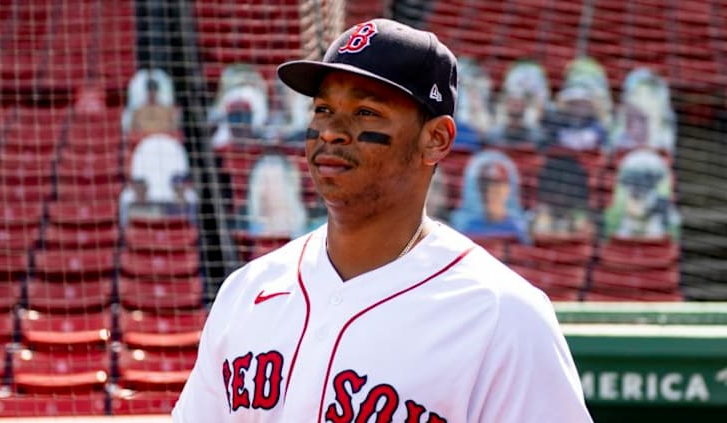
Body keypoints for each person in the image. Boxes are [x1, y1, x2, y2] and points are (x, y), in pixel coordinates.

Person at [173, 19, 591, 422]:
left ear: (437, 139)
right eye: (322, 109)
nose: (331, 131)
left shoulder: (503, 315)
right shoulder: (246, 292)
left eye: (366, 112)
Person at [450, 150, 530, 243]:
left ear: (509, 189)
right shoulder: (465, 227)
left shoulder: (517, 229)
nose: (492, 191)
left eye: (498, 185)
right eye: (486, 186)